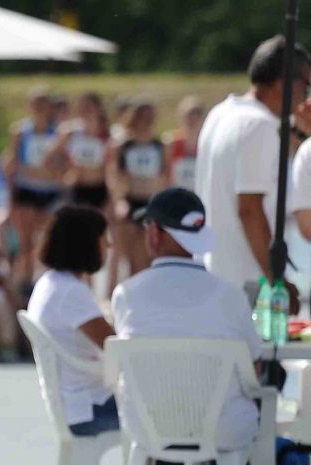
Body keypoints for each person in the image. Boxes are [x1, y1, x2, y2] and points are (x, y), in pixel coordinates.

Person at [114, 188, 262, 453]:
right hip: (221, 432)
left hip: (148, 428)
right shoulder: (231, 296)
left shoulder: (125, 294)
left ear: (154, 233)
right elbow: (255, 372)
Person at [197, 36, 311, 289]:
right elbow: (249, 209)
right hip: (247, 277)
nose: (305, 97)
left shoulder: (222, 113)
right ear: (285, 83)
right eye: (306, 86)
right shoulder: (259, 126)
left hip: (214, 269)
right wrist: (276, 279)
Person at [26, 205, 118, 437]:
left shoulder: (49, 283)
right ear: (86, 244)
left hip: (74, 403)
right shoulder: (71, 292)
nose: (109, 245)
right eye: (103, 238)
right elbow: (117, 348)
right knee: (170, 411)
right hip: (90, 406)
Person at [0, 88, 60, 290]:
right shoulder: (20, 131)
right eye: (37, 104)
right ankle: (24, 283)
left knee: (49, 240)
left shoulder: (59, 131)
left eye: (44, 104)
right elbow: (11, 162)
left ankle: (48, 282)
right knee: (25, 241)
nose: (40, 109)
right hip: (27, 189)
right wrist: (11, 194)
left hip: (50, 190)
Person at [107, 100, 167, 293]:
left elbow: (164, 177)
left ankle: (147, 294)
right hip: (131, 201)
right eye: (143, 117)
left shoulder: (159, 145)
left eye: (150, 117)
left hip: (151, 202)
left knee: (150, 256)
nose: (146, 121)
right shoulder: (125, 146)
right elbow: (115, 176)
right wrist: (119, 201)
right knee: (133, 256)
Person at [46, 92, 111, 210]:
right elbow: (49, 158)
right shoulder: (69, 132)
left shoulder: (108, 134)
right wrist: (61, 177)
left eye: (89, 107)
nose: (86, 111)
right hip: (76, 188)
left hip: (100, 188)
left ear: (99, 108)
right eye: (82, 107)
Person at [164, 96, 204, 192]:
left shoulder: (206, 145)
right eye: (189, 116)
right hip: (176, 194)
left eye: (196, 115)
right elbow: (164, 174)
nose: (192, 120)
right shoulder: (171, 143)